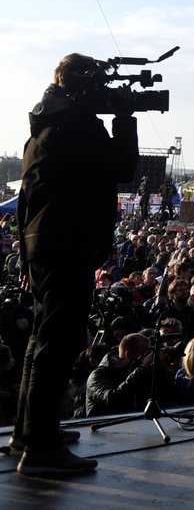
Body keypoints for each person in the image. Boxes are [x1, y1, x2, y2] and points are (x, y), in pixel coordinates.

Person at [12, 53, 138, 476]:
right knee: (58, 343)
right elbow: (123, 167)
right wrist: (124, 118)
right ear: (82, 89)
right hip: (66, 243)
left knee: (42, 341)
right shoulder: (76, 126)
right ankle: (41, 448)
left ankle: (27, 433)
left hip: (44, 243)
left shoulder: (47, 124)